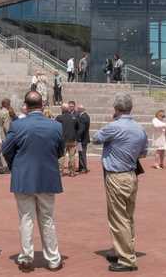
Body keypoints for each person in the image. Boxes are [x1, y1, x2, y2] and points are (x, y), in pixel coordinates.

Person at [2, 90, 65, 272]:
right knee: (47, 219)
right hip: (47, 177)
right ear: (42, 105)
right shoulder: (55, 126)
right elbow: (60, 151)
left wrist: (16, 165)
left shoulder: (17, 125)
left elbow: (6, 149)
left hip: (24, 177)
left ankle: (26, 258)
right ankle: (53, 258)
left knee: (26, 219)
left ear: (26, 106)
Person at [91, 94, 148, 272]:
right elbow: (143, 153)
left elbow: (95, 138)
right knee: (128, 216)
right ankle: (124, 249)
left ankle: (127, 259)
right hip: (131, 174)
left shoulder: (114, 126)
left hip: (116, 175)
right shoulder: (140, 128)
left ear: (116, 109)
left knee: (118, 218)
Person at [55, 103, 79, 176]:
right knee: (72, 156)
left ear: (62, 109)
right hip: (72, 139)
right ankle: (72, 172)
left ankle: (60, 171)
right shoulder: (74, 117)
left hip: (62, 140)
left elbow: (55, 128)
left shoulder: (59, 117)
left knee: (62, 156)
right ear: (68, 109)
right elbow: (77, 128)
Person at [76, 104, 91, 173]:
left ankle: (84, 168)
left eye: (78, 109)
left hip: (82, 139)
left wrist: (77, 137)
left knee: (82, 153)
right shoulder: (83, 116)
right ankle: (81, 167)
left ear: (80, 109)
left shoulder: (83, 117)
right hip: (81, 139)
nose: (77, 110)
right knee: (80, 153)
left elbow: (81, 129)